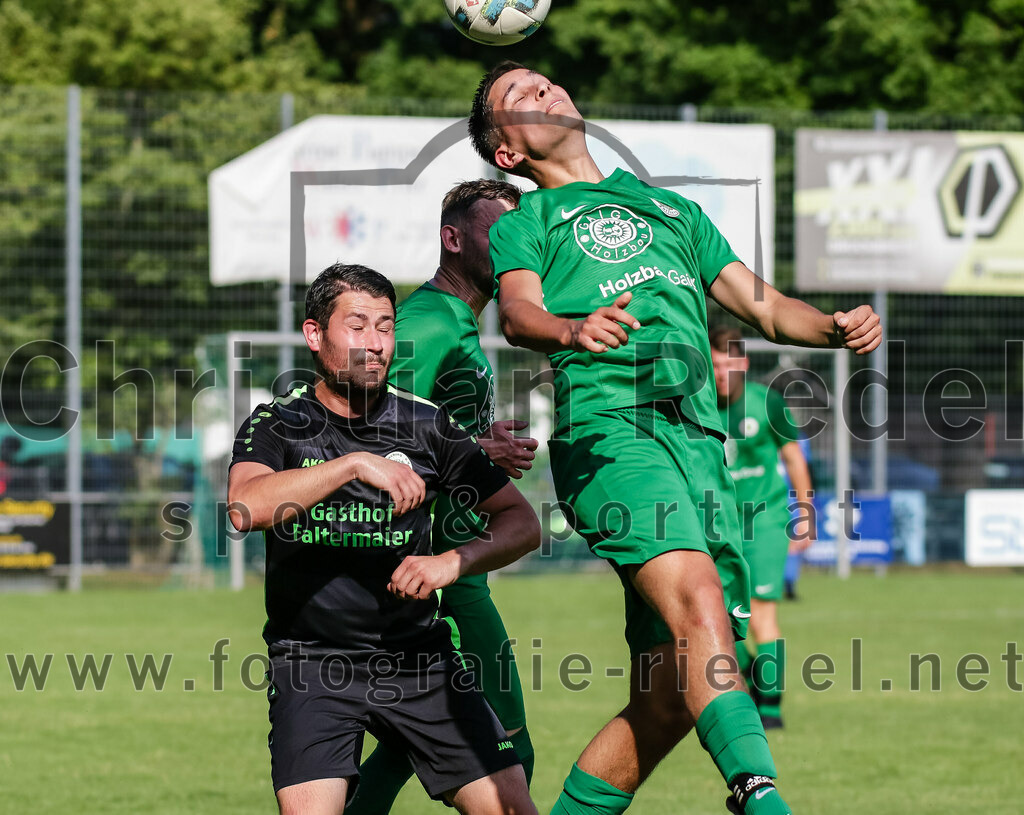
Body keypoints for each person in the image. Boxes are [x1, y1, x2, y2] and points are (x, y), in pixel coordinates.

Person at [468, 61, 882, 815]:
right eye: (519, 96)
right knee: (701, 604)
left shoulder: (670, 208)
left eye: (545, 80)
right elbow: (519, 313)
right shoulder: (527, 223)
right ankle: (763, 799)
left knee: (667, 702)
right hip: (611, 434)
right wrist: (570, 327)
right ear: (508, 152)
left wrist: (832, 327)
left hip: (701, 448)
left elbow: (763, 304)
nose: (546, 90)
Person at [227, 263, 542, 815]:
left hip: (420, 659)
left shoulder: (428, 425)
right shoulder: (278, 422)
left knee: (512, 805)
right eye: (357, 326)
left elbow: (520, 522)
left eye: (385, 326)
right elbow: (245, 507)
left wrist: (453, 561)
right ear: (314, 334)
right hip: (312, 664)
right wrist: (351, 465)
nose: (374, 344)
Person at [347, 180, 539, 815]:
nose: (514, 247)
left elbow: (425, 433)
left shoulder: (459, 322)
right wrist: (479, 450)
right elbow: (367, 437)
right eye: (497, 234)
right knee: (510, 750)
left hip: (451, 566)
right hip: (435, 575)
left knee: (413, 745)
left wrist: (478, 446)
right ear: (453, 240)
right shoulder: (428, 326)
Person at [710, 325, 815, 729]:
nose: (721, 374)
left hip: (766, 520)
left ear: (743, 363)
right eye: (715, 365)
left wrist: (805, 515)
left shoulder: (766, 403)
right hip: (716, 525)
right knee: (715, 620)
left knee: (761, 617)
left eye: (728, 365)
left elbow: (794, 460)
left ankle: (770, 710)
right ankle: (754, 672)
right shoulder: (696, 404)